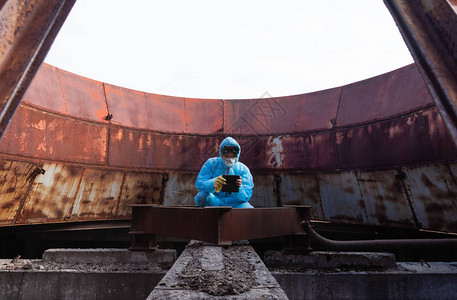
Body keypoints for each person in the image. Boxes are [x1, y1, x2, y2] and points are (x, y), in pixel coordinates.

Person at [194, 136, 254, 208]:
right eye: (227, 156)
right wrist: (213, 183)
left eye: (233, 156)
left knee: (248, 209)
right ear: (221, 154)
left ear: (237, 156)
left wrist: (239, 189)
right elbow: (199, 184)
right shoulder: (211, 164)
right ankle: (207, 218)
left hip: (236, 203)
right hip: (216, 201)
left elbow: (247, 195)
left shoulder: (243, 169)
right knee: (202, 196)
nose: (230, 159)